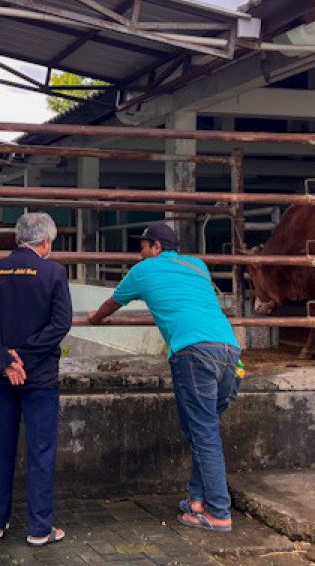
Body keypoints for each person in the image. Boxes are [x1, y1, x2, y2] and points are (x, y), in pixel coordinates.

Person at [88, 221, 241, 532]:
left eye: (143, 247)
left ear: (155, 247)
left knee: (204, 433)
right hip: (230, 352)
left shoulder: (144, 271)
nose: (140, 253)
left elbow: (111, 304)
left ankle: (220, 513)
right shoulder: (198, 266)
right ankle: (197, 502)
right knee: (205, 429)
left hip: (194, 354)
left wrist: (93, 318)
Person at [0, 212, 73, 547]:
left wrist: (5, 361)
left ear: (17, 239)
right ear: (45, 242)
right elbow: (60, 324)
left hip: (0, 378)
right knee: (40, 451)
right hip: (39, 377)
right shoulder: (54, 272)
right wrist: (25, 359)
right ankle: (40, 529)